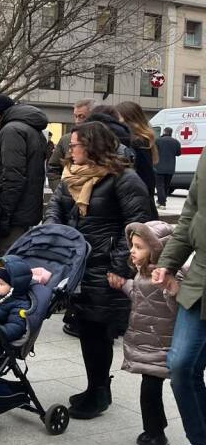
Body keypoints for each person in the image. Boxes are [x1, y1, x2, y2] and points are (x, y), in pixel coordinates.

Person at [44, 121, 152, 420]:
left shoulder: (124, 179)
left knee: (98, 330)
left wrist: (121, 266)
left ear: (92, 146)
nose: (70, 151)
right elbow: (56, 208)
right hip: (79, 265)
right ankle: (96, 387)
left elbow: (138, 226)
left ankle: (100, 392)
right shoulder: (72, 176)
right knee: (87, 328)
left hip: (105, 268)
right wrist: (55, 233)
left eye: (75, 145)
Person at [153, 151, 206, 445]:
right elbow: (190, 214)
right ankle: (200, 440)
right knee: (182, 365)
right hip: (200, 278)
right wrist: (169, 262)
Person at [121, 220, 180, 445]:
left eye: (138, 247)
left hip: (163, 342)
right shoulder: (142, 272)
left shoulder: (169, 273)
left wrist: (169, 289)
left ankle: (156, 435)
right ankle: (153, 430)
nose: (132, 251)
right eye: (132, 245)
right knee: (149, 389)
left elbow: (180, 302)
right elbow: (140, 294)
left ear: (156, 249)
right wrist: (122, 284)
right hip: (148, 340)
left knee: (150, 389)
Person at [0, 94, 48, 257]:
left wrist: (4, 214)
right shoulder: (32, 128)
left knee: (5, 264)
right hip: (26, 208)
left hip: (14, 212)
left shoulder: (11, 130)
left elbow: (13, 176)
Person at [117, 101, 159, 217]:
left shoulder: (137, 141)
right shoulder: (142, 139)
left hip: (137, 201)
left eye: (118, 117)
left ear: (128, 118)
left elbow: (146, 177)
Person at [47, 99, 96, 193]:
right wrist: (61, 192)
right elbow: (53, 169)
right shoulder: (66, 140)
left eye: (82, 117)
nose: (77, 121)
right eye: (75, 116)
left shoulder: (104, 139)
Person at [154, 127, 181, 209]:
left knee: (159, 186)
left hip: (159, 167)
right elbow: (178, 153)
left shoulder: (158, 141)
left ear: (164, 131)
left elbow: (154, 152)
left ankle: (162, 203)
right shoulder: (176, 142)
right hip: (170, 168)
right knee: (166, 186)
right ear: (171, 132)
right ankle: (162, 200)